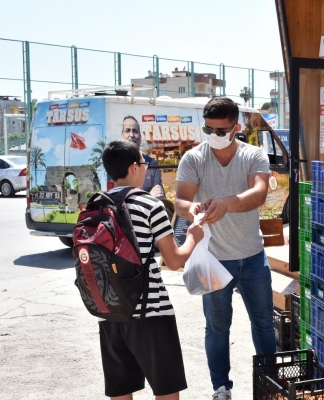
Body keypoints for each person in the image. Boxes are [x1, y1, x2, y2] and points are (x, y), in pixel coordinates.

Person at [174, 97, 274, 400]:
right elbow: (180, 200)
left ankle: (270, 385)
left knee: (264, 324)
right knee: (217, 328)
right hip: (213, 259)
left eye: (221, 131)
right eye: (208, 129)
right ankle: (221, 388)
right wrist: (192, 209)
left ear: (236, 128)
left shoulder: (254, 155)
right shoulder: (194, 158)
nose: (213, 135)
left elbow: (259, 194)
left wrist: (227, 203)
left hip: (253, 257)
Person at [100, 140, 204, 400]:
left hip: (109, 311)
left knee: (121, 391)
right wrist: (193, 237)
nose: (146, 168)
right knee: (166, 389)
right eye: (144, 163)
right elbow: (173, 260)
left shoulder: (97, 205)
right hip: (151, 311)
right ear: (134, 167)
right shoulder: (150, 205)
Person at [121, 115, 166, 199]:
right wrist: (149, 196)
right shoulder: (115, 164)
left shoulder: (152, 163)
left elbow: (160, 196)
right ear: (122, 136)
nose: (132, 135)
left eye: (135, 131)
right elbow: (116, 200)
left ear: (140, 137)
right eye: (127, 131)